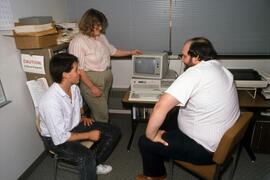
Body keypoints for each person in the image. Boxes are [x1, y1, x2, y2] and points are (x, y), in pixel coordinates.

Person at [136, 37, 240, 180]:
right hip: (220, 138)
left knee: (145, 141)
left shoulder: (195, 73)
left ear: (196, 57)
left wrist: (151, 135)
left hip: (204, 150)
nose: (182, 59)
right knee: (170, 117)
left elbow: (160, 107)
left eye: (184, 56)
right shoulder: (221, 68)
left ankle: (156, 176)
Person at [38, 53, 121, 180]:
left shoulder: (74, 87)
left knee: (114, 132)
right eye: (76, 70)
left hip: (74, 125)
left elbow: (79, 106)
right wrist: (88, 135)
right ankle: (91, 163)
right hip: (55, 139)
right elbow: (60, 137)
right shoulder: (50, 101)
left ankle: (94, 164)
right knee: (86, 156)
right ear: (65, 75)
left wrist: (83, 116)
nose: (80, 73)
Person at [69, 8, 143, 123]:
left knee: (98, 111)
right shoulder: (78, 42)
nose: (101, 28)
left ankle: (94, 134)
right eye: (98, 25)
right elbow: (79, 69)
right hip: (91, 80)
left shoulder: (101, 37)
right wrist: (92, 87)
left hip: (106, 77)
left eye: (101, 25)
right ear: (89, 25)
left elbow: (113, 51)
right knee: (102, 114)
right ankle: (102, 137)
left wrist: (131, 52)